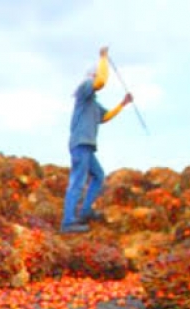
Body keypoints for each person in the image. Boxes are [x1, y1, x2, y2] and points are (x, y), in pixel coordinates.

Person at [60, 46, 134, 234]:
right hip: (80, 144)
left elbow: (105, 117)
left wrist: (122, 104)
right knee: (77, 180)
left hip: (88, 146)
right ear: (91, 76)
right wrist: (103, 59)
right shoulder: (83, 90)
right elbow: (101, 81)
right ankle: (68, 222)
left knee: (98, 175)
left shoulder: (92, 102)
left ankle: (85, 212)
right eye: (95, 76)